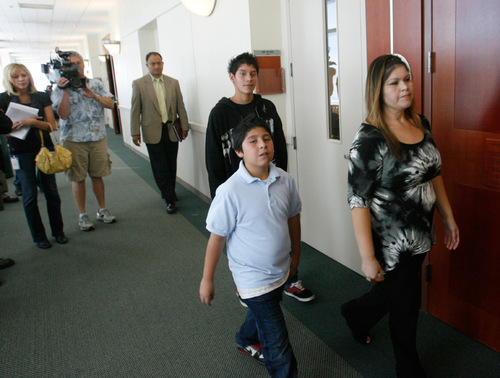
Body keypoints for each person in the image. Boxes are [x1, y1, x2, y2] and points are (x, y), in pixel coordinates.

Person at [341, 54, 460, 377]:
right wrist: (367, 257)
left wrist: (447, 217)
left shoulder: (421, 122)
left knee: (395, 290)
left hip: (420, 232)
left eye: (407, 78)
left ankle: (356, 314)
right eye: (394, 82)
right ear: (378, 90)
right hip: (389, 239)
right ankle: (409, 369)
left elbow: (433, 172)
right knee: (406, 305)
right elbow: (358, 200)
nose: (404, 86)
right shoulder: (369, 139)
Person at [206, 52, 314, 303]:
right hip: (241, 189)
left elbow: (279, 144)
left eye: (253, 73)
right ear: (232, 77)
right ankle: (247, 285)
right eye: (242, 74)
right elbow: (213, 157)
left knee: (279, 232)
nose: (248, 79)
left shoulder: (266, 107)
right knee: (245, 239)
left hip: (271, 182)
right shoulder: (220, 113)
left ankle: (289, 277)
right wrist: (217, 194)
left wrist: (280, 177)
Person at [200, 114, 299, 377]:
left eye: (266, 138)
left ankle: (245, 338)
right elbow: (217, 237)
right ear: (239, 151)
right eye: (253, 141)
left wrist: (296, 256)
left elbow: (293, 218)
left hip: (280, 269)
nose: (263, 145)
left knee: (262, 312)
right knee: (276, 341)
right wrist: (207, 279)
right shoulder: (230, 191)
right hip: (251, 277)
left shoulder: (285, 180)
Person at [0, 64, 68, 249]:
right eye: (16, 76)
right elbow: (3, 129)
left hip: (44, 148)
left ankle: (58, 231)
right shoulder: (3, 99)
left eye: (24, 75)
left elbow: (52, 126)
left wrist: (31, 122)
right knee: (29, 196)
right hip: (20, 152)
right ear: (9, 79)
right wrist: (10, 128)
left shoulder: (40, 96)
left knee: (52, 193)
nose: (21, 79)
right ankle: (39, 236)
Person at [51, 51, 116, 231]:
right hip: (73, 139)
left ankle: (102, 209)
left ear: (83, 64)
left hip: (97, 137)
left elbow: (110, 104)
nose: (76, 67)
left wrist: (93, 95)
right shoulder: (59, 89)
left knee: (98, 175)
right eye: (71, 64)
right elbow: (62, 114)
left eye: (78, 63)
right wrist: (64, 91)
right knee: (77, 178)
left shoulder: (95, 84)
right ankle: (82, 214)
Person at [130, 52, 189, 214]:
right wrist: (135, 132)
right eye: (153, 64)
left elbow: (180, 106)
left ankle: (169, 190)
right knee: (159, 166)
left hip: (170, 130)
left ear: (162, 64)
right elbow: (135, 110)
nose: (156, 66)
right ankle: (169, 198)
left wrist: (185, 126)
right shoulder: (139, 84)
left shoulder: (173, 83)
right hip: (151, 130)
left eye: (159, 63)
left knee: (171, 164)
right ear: (147, 65)